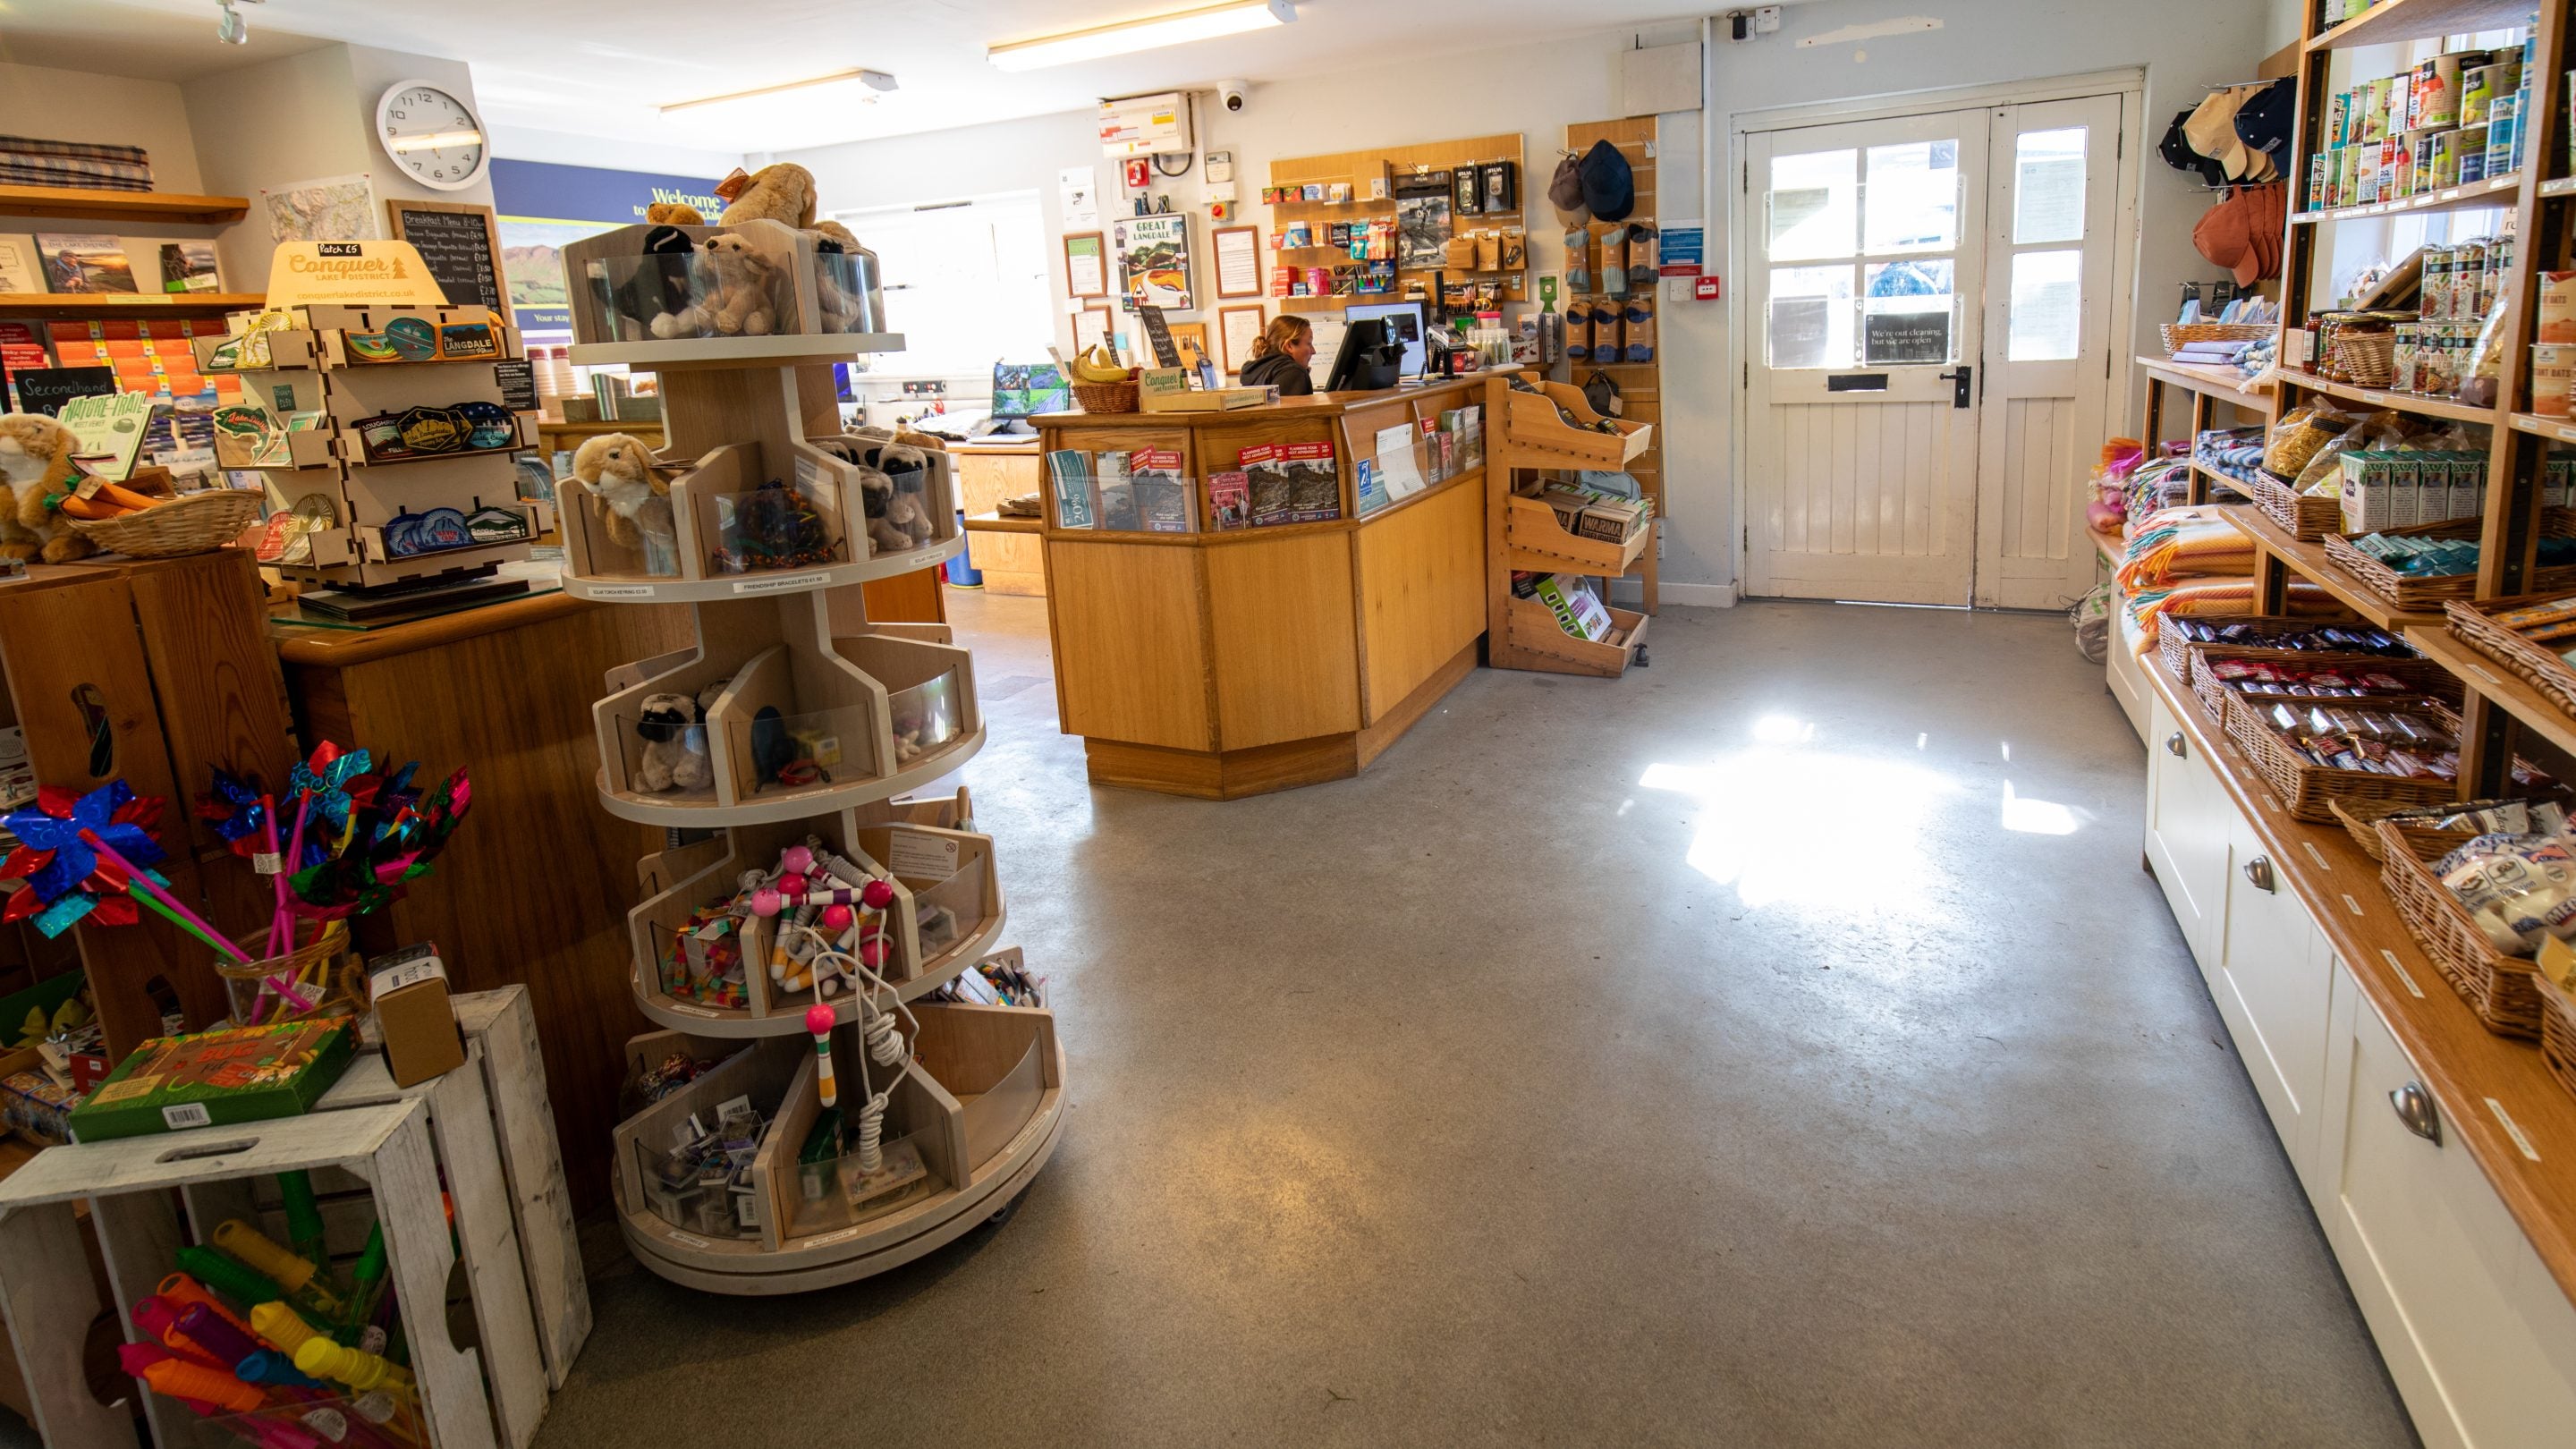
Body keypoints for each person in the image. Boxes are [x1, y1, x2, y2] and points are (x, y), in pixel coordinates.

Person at [1238, 315, 1316, 395]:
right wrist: (1300, 376)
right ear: (1289, 346)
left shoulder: (1257, 370)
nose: (1314, 351)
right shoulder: (1292, 371)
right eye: (1309, 343)